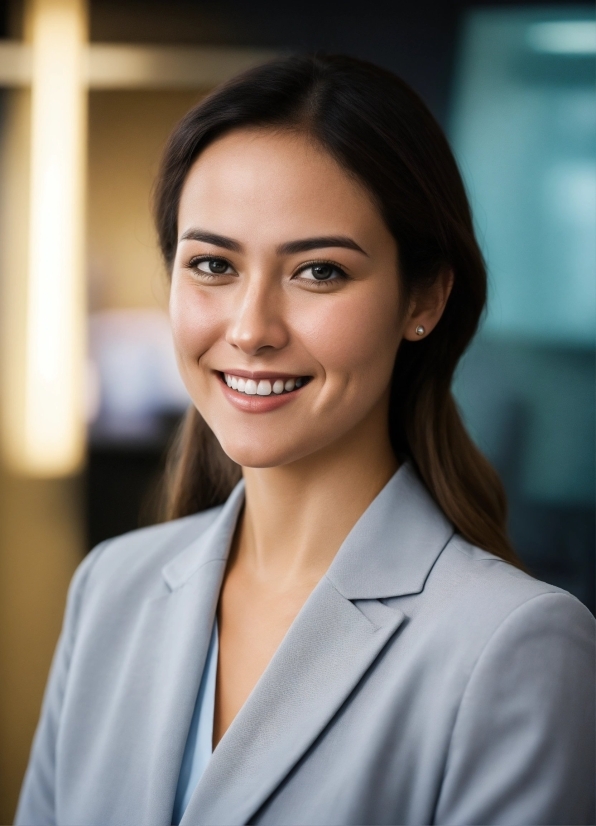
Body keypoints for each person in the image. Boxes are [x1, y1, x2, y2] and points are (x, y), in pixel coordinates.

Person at [16, 54, 594, 826]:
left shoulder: (513, 644)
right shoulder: (111, 589)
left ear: (423, 296)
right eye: (213, 264)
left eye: (319, 272)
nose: (251, 329)